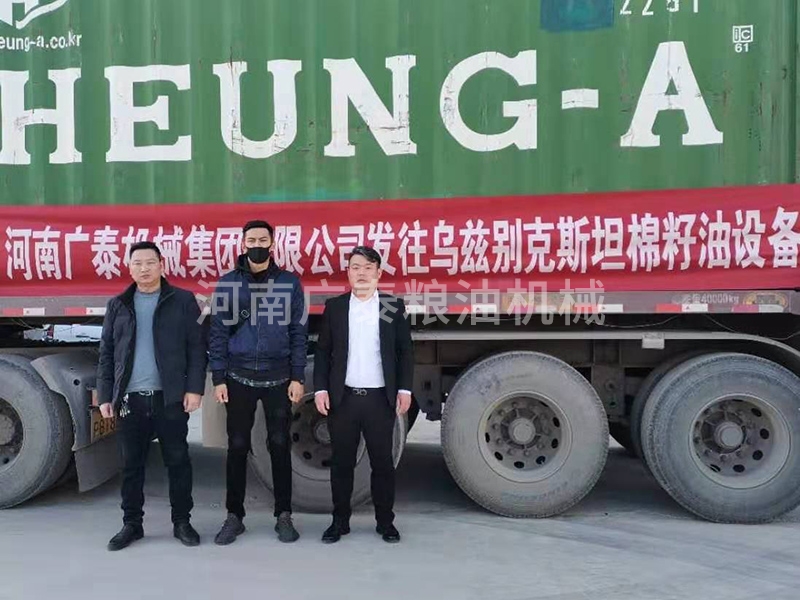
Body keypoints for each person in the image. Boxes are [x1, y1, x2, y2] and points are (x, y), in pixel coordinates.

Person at [96, 241, 207, 551]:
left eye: (149, 262)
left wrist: (194, 388)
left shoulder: (182, 300)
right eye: (137, 263)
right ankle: (132, 524)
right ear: (129, 268)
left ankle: (182, 522)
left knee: (178, 461)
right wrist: (105, 395)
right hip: (130, 400)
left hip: (169, 398)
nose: (144, 268)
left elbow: (197, 348)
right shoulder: (118, 305)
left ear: (161, 265)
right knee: (131, 465)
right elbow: (106, 353)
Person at [209, 220, 307, 545]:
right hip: (238, 377)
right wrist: (219, 377)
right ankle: (234, 516)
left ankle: (284, 515)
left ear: (272, 244)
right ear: (243, 244)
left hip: (278, 378)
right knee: (237, 446)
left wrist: (297, 376)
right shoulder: (228, 284)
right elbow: (218, 333)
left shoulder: (289, 283)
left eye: (262, 240)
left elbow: (298, 332)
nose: (257, 245)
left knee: (279, 444)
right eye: (251, 240)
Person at [314, 245, 414, 544]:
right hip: (344, 399)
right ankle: (339, 521)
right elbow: (323, 352)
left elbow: (405, 352)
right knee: (342, 463)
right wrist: (321, 388)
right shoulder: (336, 307)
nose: (362, 273)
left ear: (378, 273)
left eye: (368, 268)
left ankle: (385, 522)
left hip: (379, 399)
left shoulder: (391, 307)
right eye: (356, 267)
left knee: (382, 463)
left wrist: (404, 389)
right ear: (348, 273)